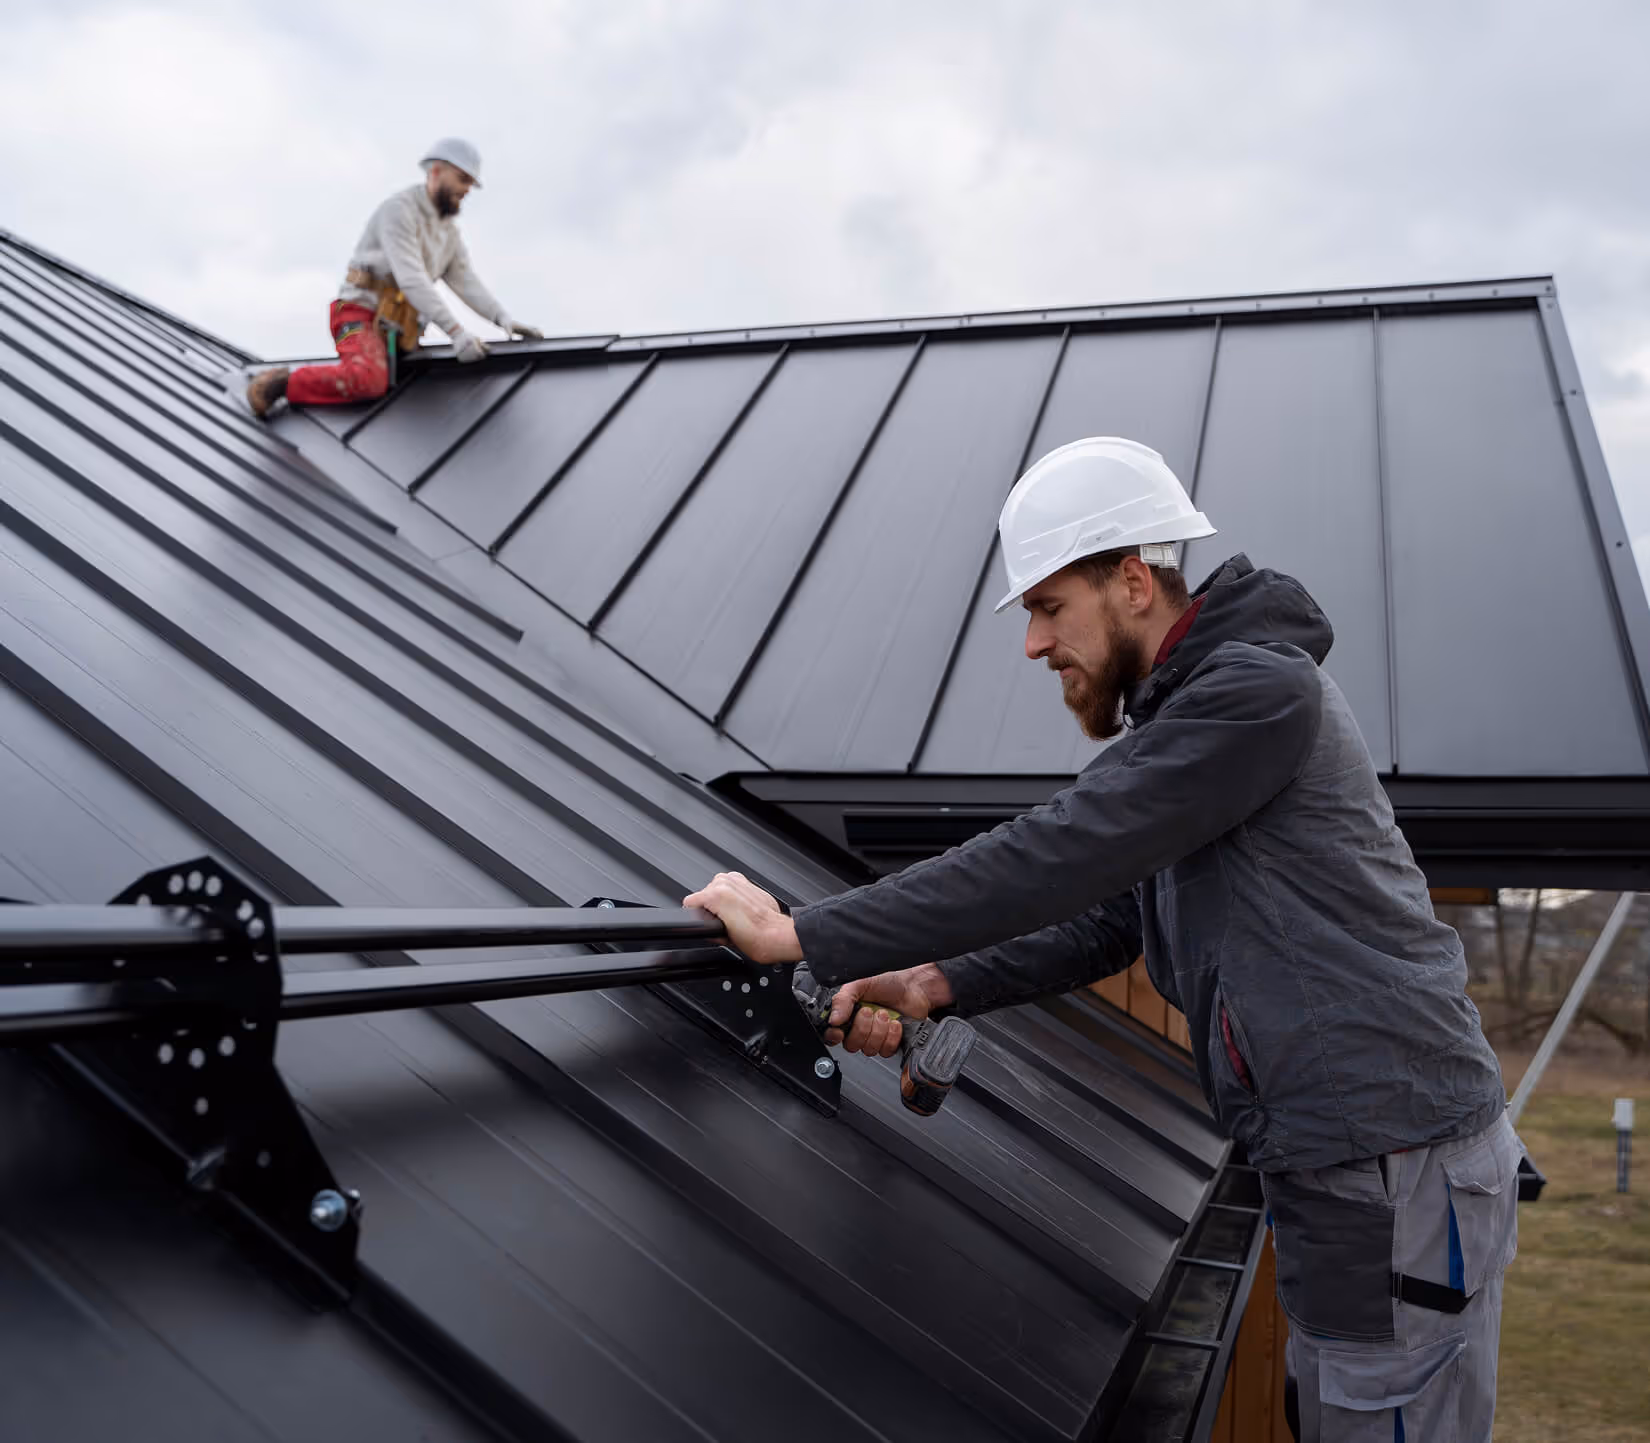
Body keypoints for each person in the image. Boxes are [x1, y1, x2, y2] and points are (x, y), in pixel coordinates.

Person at [687, 436, 1520, 1443]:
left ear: (1132, 581)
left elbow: (1064, 851)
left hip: (1398, 1162)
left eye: (1046, 607)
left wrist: (801, 934)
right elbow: (1114, 914)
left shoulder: (1257, 697)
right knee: (1342, 1406)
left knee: (1378, 1416)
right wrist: (931, 981)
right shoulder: (1195, 721)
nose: (1034, 645)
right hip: (1348, 1161)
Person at [244, 138, 542, 418]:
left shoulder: (448, 232)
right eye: (463, 180)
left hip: (399, 329)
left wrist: (502, 318)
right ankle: (281, 384)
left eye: (471, 184)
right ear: (437, 172)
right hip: (359, 315)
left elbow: (465, 280)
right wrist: (455, 331)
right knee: (368, 379)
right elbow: (411, 278)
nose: (467, 190)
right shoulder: (399, 212)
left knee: (424, 378)